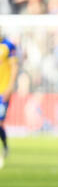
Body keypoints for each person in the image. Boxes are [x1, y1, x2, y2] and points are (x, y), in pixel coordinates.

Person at [0, 34, 18, 169]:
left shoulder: (8, 46)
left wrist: (10, 86)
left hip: (3, 91)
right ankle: (5, 146)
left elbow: (14, 67)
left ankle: (5, 147)